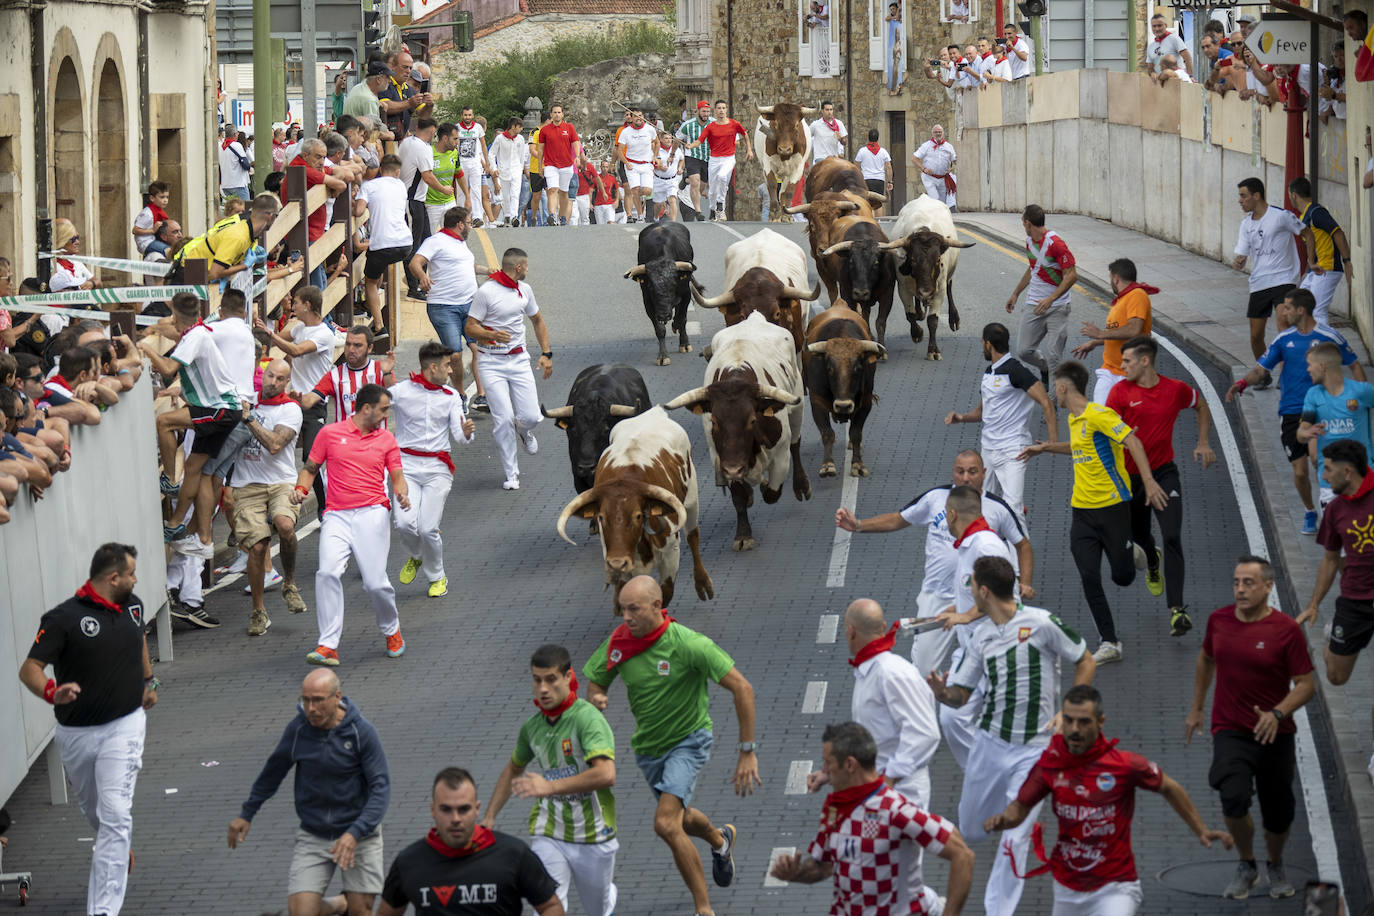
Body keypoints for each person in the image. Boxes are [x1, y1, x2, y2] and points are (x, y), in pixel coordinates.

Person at [927, 555, 1096, 916]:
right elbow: (963, 695)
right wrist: (943, 694)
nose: (969, 591)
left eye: (971, 585)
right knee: (971, 831)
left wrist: (1068, 710)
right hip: (989, 745)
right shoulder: (981, 636)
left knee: (1016, 837)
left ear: (983, 591)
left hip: (1035, 752)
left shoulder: (1042, 622)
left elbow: (1085, 659)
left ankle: (998, 911)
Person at [583, 575, 760, 916]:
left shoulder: (688, 644)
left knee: (665, 823)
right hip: (649, 749)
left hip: (689, 742)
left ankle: (703, 909)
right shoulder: (620, 642)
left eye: (633, 609)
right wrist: (597, 698)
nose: (626, 617)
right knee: (679, 819)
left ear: (656, 606)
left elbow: (743, 688)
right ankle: (720, 840)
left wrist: (747, 750)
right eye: (622, 609)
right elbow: (594, 682)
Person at [985, 685, 1232, 915]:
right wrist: (1003, 820)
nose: (1073, 730)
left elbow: (1169, 787)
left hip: (1116, 887)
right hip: (1066, 889)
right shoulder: (1050, 763)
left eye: (1083, 722)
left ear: (1101, 722)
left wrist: (1201, 829)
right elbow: (1020, 807)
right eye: (1069, 720)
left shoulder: (1124, 765)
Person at [18, 544, 158, 916]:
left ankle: (102, 910)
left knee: (115, 815)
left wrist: (150, 681)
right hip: (77, 735)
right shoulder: (62, 618)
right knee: (97, 813)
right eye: (131, 573)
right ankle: (117, 847)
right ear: (113, 578)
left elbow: (138, 638)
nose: (136, 579)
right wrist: (52, 692)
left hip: (125, 727)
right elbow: (29, 669)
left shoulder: (134, 605)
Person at [835, 448, 1033, 677]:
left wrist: (1023, 582)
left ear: (984, 473)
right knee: (922, 669)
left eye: (972, 471)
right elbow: (899, 519)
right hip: (938, 598)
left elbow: (1023, 546)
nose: (966, 478)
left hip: (977, 600)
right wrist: (858, 525)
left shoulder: (994, 520)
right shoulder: (936, 497)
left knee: (985, 665)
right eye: (960, 472)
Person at [1018, 360, 1165, 664]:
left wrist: (1149, 483)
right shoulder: (1075, 419)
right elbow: (1078, 447)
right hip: (1081, 511)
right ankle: (1109, 641)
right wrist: (1046, 448)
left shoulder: (1099, 414)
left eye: (1054, 387)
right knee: (1088, 575)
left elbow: (1132, 441)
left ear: (1062, 387)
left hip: (1112, 507)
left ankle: (1147, 553)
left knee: (1123, 577)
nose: (1052, 393)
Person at [1185, 555, 1315, 900]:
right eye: (1236, 582)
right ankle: (1247, 865)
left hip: (1275, 733)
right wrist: (1197, 708)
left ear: (1268, 587)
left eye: (1248, 583)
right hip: (1230, 728)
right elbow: (1206, 658)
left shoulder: (1286, 630)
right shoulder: (1219, 621)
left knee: (1278, 812)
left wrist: (1278, 713)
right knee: (1233, 798)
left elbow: (1306, 684)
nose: (1240, 590)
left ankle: (1274, 862)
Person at [805, 600, 944, 914]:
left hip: (901, 792)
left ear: (851, 632)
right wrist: (830, 770)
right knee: (883, 877)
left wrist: (889, 779)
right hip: (878, 793)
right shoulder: (870, 672)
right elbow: (866, 736)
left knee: (896, 881)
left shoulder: (892, 674)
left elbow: (925, 733)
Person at [228, 669, 390, 916]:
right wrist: (246, 813)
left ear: (337, 697)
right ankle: (340, 904)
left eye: (318, 700)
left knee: (362, 911)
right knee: (301, 912)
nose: (310, 708)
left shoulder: (361, 733)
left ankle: (350, 904)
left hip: (359, 835)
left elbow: (381, 790)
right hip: (314, 833)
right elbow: (273, 772)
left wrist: (355, 832)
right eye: (306, 700)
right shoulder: (298, 730)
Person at [770, 721, 973, 915]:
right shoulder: (833, 808)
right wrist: (795, 874)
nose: (823, 770)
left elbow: (963, 855)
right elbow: (823, 867)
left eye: (827, 762)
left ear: (850, 765)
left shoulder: (894, 810)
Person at [483, 645, 619, 916]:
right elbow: (513, 769)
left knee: (598, 909)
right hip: (550, 831)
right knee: (546, 907)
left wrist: (550, 787)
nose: (543, 688)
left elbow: (606, 774)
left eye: (551, 679)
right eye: (537, 680)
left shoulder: (587, 718)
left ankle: (608, 898)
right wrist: (489, 817)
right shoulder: (532, 728)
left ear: (568, 677)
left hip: (594, 835)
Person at [1226, 287, 1364, 534]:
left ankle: (1333, 509)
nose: (1284, 311)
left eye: (1288, 307)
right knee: (1300, 472)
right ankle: (1310, 510)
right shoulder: (1283, 339)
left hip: (1324, 409)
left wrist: (1359, 397)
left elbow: (1353, 364)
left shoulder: (1329, 336)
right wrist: (1242, 383)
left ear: (1301, 310)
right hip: (1291, 411)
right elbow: (1261, 369)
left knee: (1317, 459)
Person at [291, 383, 410, 667]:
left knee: (375, 583)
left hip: (373, 513)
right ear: (366, 408)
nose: (386, 415)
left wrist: (402, 493)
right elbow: (310, 469)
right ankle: (328, 644)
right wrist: (300, 490)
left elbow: (397, 475)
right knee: (327, 573)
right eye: (383, 409)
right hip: (337, 515)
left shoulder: (386, 440)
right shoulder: (329, 434)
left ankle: (392, 630)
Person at [1106, 336, 1215, 638]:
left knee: (1172, 535)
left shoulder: (1175, 389)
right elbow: (1105, 433)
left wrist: (1203, 441)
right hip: (1130, 481)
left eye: (1126, 361)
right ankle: (1152, 561)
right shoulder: (1118, 393)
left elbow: (1201, 405)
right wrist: (1122, 438)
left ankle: (1177, 610)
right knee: (1140, 536)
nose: (1122, 366)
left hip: (1164, 474)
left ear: (1145, 361)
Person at [376, 767, 564, 916]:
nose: (455, 818)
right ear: (433, 810)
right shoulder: (409, 862)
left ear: (477, 809)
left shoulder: (513, 854)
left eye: (463, 809)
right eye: (446, 809)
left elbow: (551, 906)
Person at [138, 292, 241, 562]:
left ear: (175, 315)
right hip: (227, 408)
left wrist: (147, 348)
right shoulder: (198, 330)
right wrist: (153, 328)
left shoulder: (193, 337)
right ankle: (180, 528)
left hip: (218, 408)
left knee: (163, 421)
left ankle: (171, 479)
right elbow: (174, 332)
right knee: (195, 468)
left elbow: (169, 368)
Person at [1300, 440, 1374, 784]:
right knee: (1336, 677)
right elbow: (1330, 560)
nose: (1323, 475)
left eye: (1327, 469)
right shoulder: (1336, 511)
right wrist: (1315, 603)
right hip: (1354, 602)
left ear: (1347, 471)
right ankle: (1333, 638)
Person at [945, 322, 1057, 519]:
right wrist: (961, 417)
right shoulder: (989, 373)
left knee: (1013, 509)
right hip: (988, 449)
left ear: (988, 344)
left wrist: (1053, 442)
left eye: (982, 343)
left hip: (1013, 450)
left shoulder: (1016, 371)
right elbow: (981, 413)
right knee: (982, 505)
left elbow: (1046, 402)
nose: (982, 347)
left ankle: (1018, 549)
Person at [390, 342, 475, 598]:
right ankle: (417, 556)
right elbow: (377, 403)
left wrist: (467, 433)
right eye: (447, 365)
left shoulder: (451, 398)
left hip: (438, 468)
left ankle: (437, 576)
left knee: (428, 528)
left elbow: (460, 437)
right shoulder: (402, 391)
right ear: (433, 367)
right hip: (406, 466)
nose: (451, 370)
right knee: (404, 523)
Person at [464, 247, 553, 491]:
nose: (528, 270)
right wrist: (490, 334)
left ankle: (524, 430)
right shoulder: (486, 292)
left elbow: (537, 321)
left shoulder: (525, 290)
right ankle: (511, 474)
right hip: (491, 362)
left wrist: (546, 353)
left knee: (532, 416)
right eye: (526, 266)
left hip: (519, 360)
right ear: (518, 268)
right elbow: (470, 328)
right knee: (502, 420)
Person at [232, 358, 307, 636]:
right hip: (247, 483)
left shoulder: (290, 409)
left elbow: (275, 444)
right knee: (258, 547)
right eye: (270, 376)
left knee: (286, 526)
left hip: (280, 481)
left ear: (287, 382)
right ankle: (258, 611)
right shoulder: (247, 398)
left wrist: (249, 418)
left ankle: (289, 582)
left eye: (279, 379)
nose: (272, 382)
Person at [255, 285, 337, 515]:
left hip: (313, 404)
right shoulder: (300, 328)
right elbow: (274, 341)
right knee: (274, 449)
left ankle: (325, 508)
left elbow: (297, 350)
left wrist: (270, 335)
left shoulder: (323, 334)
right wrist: (259, 330)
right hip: (291, 402)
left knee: (311, 457)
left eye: (296, 302)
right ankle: (275, 508)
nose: (292, 305)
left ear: (308, 306)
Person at [410, 207, 491, 409]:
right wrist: (423, 276)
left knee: (478, 348)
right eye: (470, 223)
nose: (471, 227)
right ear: (460, 224)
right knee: (455, 354)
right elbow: (415, 263)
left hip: (470, 304)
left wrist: (487, 270)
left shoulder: (461, 244)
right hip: (444, 307)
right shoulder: (435, 241)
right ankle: (461, 394)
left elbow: (466, 266)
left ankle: (482, 396)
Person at [1233, 177, 1304, 362]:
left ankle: (1286, 372)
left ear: (1256, 195)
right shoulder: (1246, 225)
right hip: (1259, 282)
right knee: (1256, 337)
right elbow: (1241, 254)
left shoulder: (1280, 216)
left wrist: (1310, 262)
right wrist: (1239, 262)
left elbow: (1307, 233)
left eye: (1243, 196)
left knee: (1283, 323)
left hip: (1284, 278)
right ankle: (1263, 372)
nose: (1240, 200)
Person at [1006, 204, 1077, 388]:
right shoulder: (1029, 242)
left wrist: (1051, 299)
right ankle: (1044, 368)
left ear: (1028, 223)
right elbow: (1033, 270)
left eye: (1023, 222)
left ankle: (1051, 408)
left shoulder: (1056, 244)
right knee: (1023, 351)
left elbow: (1072, 275)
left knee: (1055, 358)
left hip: (1058, 307)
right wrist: (1015, 293)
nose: (1022, 225)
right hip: (1033, 304)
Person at [1071, 258, 1154, 404]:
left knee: (1124, 422)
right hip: (1110, 370)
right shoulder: (1122, 300)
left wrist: (1100, 334)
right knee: (1101, 416)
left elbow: (1134, 329)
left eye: (1110, 278)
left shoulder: (1137, 295)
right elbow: (1118, 331)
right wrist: (1095, 342)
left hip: (1129, 373)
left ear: (1116, 279)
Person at [1298, 343, 1374, 504]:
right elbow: (1303, 430)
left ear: (1322, 366)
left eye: (1310, 365)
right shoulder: (1313, 396)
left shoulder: (1361, 391)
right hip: (1330, 486)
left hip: (1364, 481)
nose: (1308, 370)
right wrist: (1305, 433)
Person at [355, 154, 412, 332]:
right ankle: (374, 302)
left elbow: (358, 211)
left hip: (382, 244)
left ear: (380, 169)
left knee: (370, 282)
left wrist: (353, 202)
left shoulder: (369, 186)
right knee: (377, 269)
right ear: (397, 172)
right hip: (405, 243)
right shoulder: (401, 186)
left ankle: (379, 326)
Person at [171, 192, 281, 284]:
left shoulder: (249, 231)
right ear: (270, 216)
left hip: (198, 271)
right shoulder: (239, 236)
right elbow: (215, 272)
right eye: (277, 215)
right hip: (188, 272)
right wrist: (244, 266)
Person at [300, 325, 396, 424]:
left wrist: (387, 373)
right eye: (348, 344)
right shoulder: (335, 375)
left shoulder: (381, 370)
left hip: (375, 438)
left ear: (369, 348)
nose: (351, 350)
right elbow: (309, 401)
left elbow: (395, 400)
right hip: (345, 438)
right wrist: (298, 399)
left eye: (357, 345)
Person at [1289, 176, 1351, 326]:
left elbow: (1338, 233)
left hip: (1327, 268)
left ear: (1294, 195)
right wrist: (1306, 270)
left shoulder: (1317, 212)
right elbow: (1311, 248)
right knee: (1298, 305)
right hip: (1315, 270)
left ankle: (1324, 345)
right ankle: (1307, 342)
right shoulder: (1305, 216)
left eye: (1289, 195)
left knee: (1317, 311)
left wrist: (1347, 261)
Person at [684, 99, 753, 221]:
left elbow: (745, 134)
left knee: (722, 177)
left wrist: (749, 150)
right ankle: (712, 210)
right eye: (719, 108)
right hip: (714, 159)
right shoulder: (711, 127)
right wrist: (691, 145)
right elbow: (699, 141)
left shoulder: (734, 124)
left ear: (726, 110)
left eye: (723, 108)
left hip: (728, 158)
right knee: (713, 189)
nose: (721, 110)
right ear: (715, 111)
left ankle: (720, 206)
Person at [399, 118, 444, 299]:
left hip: (417, 200)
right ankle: (413, 287)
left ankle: (421, 282)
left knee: (426, 241)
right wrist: (443, 189)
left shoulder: (407, 141)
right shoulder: (423, 148)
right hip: (412, 201)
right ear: (432, 132)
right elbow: (427, 176)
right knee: (415, 245)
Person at [535, 105, 583, 227]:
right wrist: (540, 166)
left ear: (562, 114)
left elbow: (576, 142)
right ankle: (551, 215)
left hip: (567, 165)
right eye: (554, 112)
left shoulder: (569, 127)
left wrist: (577, 156)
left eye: (559, 112)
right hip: (551, 165)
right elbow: (540, 149)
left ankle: (562, 217)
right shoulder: (544, 130)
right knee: (552, 190)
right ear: (551, 115)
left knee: (564, 192)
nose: (557, 114)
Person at [424, 123, 470, 248]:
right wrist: (443, 189)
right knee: (430, 240)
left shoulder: (454, 153)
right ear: (445, 138)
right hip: (431, 204)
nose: (457, 142)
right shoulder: (429, 153)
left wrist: (467, 196)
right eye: (455, 139)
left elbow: (459, 174)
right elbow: (427, 177)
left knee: (455, 237)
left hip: (450, 202)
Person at [616, 107, 659, 224]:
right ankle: (640, 216)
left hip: (646, 164)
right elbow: (619, 150)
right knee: (634, 190)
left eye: (640, 115)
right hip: (632, 164)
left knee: (647, 190)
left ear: (643, 117)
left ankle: (637, 198)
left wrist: (655, 156)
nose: (638, 118)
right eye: (635, 116)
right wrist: (626, 163)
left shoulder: (650, 129)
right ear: (632, 118)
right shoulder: (626, 132)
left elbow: (657, 142)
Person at [676, 101, 712, 218]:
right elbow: (677, 138)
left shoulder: (714, 123)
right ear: (697, 111)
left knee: (703, 184)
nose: (706, 114)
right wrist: (672, 154)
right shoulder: (688, 124)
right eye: (703, 111)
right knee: (695, 181)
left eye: (707, 111)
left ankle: (686, 180)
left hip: (708, 156)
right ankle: (698, 211)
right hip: (692, 156)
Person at [490, 117, 530, 227]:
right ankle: (507, 214)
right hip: (503, 171)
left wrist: (521, 170)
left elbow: (522, 156)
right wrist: (494, 168)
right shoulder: (500, 139)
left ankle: (513, 216)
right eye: (519, 127)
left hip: (516, 170)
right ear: (513, 127)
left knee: (515, 194)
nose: (521, 129)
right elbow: (491, 154)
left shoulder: (520, 139)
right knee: (506, 195)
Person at [455, 107, 493, 212]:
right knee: (461, 191)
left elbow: (483, 145)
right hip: (461, 163)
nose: (467, 117)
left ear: (473, 115)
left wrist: (487, 162)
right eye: (465, 115)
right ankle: (461, 215)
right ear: (462, 116)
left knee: (476, 190)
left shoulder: (477, 128)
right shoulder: (456, 128)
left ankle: (477, 216)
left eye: (469, 115)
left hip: (475, 163)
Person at [912, 124, 957, 207]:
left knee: (943, 202)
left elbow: (954, 160)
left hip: (943, 178)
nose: (938, 134)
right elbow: (914, 158)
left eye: (940, 132)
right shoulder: (926, 145)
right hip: (930, 178)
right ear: (932, 134)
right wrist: (924, 169)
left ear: (943, 133)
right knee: (935, 198)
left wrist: (951, 168)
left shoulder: (949, 146)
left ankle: (939, 218)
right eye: (936, 132)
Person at [854, 129, 892, 215]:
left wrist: (859, 176)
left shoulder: (862, 151)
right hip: (879, 180)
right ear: (878, 138)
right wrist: (890, 181)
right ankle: (880, 223)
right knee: (878, 204)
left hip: (866, 180)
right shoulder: (883, 152)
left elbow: (855, 165)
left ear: (868, 138)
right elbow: (889, 167)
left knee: (868, 203)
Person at [1143, 13, 1192, 77]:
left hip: (1177, 80)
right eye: (1154, 26)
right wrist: (1152, 73)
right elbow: (1150, 68)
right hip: (1161, 83)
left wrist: (1190, 76)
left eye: (1159, 25)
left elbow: (1188, 58)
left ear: (1165, 26)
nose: (1157, 29)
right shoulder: (1151, 47)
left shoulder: (1174, 39)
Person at [652, 131, 684, 221]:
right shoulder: (656, 150)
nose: (669, 140)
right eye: (666, 138)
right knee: (658, 203)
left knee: (672, 199)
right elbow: (651, 162)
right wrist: (659, 167)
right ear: (661, 140)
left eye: (670, 138)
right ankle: (656, 218)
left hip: (672, 180)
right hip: (659, 179)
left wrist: (680, 168)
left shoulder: (676, 150)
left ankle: (673, 222)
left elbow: (682, 159)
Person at [131, 181, 171, 254]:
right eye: (162, 197)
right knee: (169, 251)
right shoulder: (147, 214)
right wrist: (152, 230)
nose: (165, 200)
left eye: (167, 197)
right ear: (152, 198)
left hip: (154, 240)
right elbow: (135, 230)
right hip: (146, 243)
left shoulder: (159, 211)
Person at [220, 129, 253, 200]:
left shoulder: (221, 146)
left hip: (225, 184)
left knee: (232, 209)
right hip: (238, 183)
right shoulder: (237, 145)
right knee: (244, 208)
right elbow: (245, 163)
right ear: (235, 134)